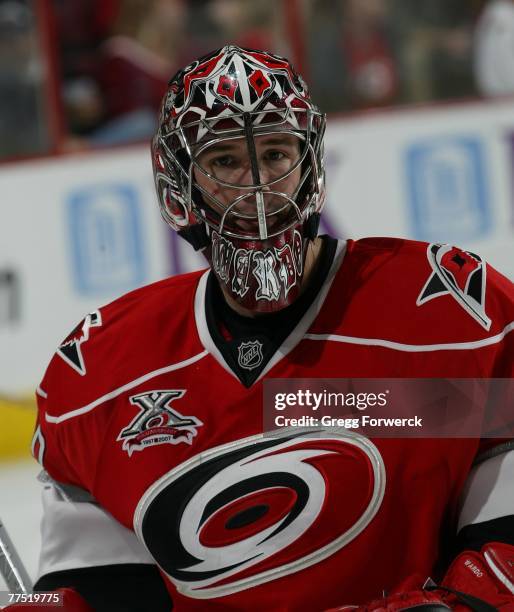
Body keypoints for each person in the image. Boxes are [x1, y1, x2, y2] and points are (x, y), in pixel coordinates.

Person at [7, 45, 514, 611]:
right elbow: (102, 594)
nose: (258, 191)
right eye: (225, 161)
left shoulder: (447, 312)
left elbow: (505, 543)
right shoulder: (100, 373)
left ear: (312, 163)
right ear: (180, 185)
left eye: (276, 154)